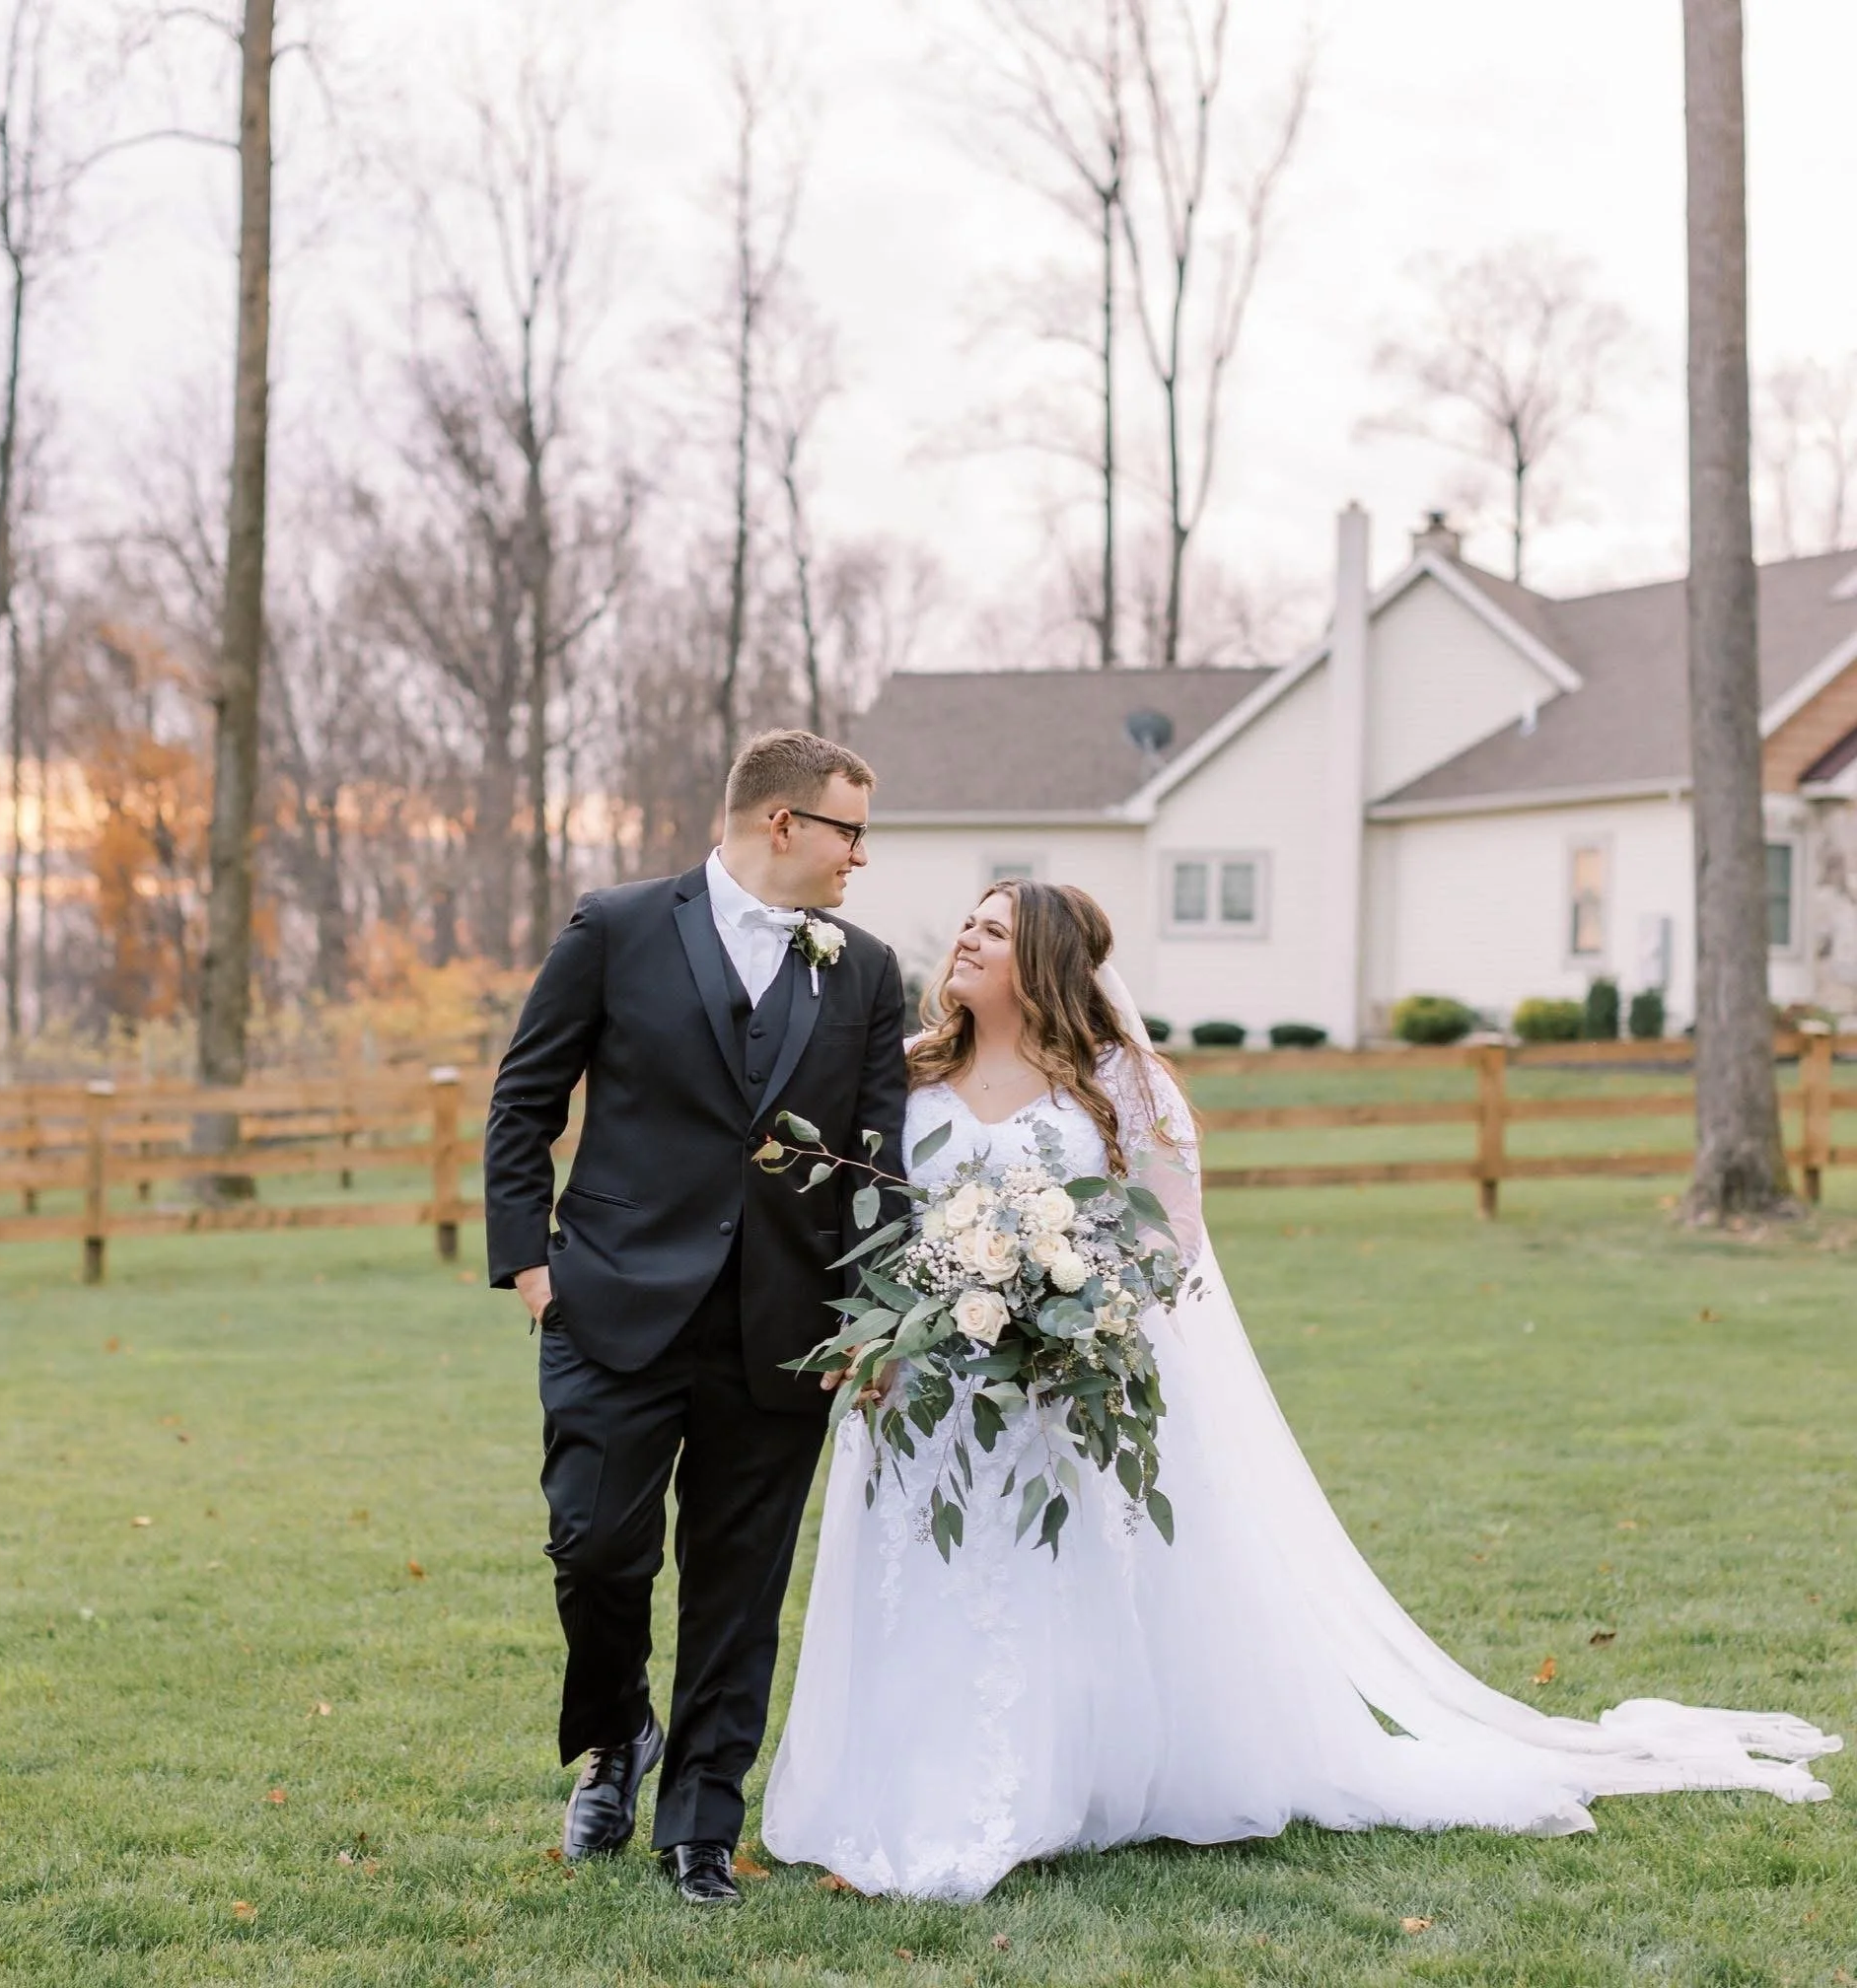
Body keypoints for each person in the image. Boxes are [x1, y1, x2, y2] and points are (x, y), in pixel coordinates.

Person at [762, 879, 1839, 1902]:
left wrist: (1076, 1318)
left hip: (1051, 1379)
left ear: (1039, 962)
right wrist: (884, 1326)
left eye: (992, 931)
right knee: (920, 1572)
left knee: (1033, 1577)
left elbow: (1169, 1232)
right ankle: (898, 1782)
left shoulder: (1121, 1085)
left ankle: (1032, 1792)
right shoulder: (908, 1070)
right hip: (922, 1382)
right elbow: (871, 1214)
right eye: (968, 923)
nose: (965, 940)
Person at [484, 730, 909, 1905]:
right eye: (850, 831)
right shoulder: (616, 926)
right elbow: (524, 1099)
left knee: (739, 1579)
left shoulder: (865, 971)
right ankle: (619, 1735)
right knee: (593, 1545)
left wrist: (871, 1315)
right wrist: (531, 1267)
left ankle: (700, 1828)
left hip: (785, 1327)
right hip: (610, 1303)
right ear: (783, 824)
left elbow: (878, 1161)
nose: (859, 859)